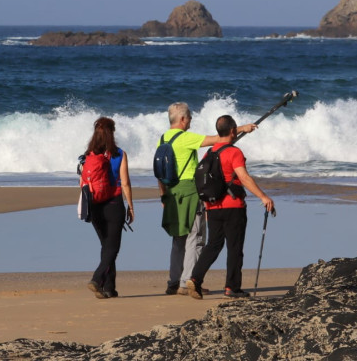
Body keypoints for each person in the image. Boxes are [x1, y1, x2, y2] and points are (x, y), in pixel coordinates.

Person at [158, 102, 257, 295]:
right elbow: (218, 140)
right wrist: (241, 128)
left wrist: (162, 194)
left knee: (178, 237)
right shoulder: (185, 137)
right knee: (196, 237)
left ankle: (174, 280)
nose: (191, 121)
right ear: (183, 119)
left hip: (170, 191)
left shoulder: (163, 139)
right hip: (189, 190)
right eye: (190, 118)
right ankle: (188, 281)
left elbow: (160, 169)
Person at [186, 114, 275, 300]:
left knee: (213, 245)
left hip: (213, 206)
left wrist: (207, 204)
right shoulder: (234, 152)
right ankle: (232, 287)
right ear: (233, 131)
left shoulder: (209, 153)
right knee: (235, 247)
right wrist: (263, 196)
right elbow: (244, 178)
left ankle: (195, 278)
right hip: (233, 206)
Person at [85, 117, 134, 299]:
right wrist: (130, 206)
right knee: (112, 248)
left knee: (106, 246)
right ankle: (97, 279)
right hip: (114, 204)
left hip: (95, 205)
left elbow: (84, 182)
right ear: (112, 133)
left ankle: (109, 288)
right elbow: (126, 183)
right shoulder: (119, 154)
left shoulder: (88, 155)